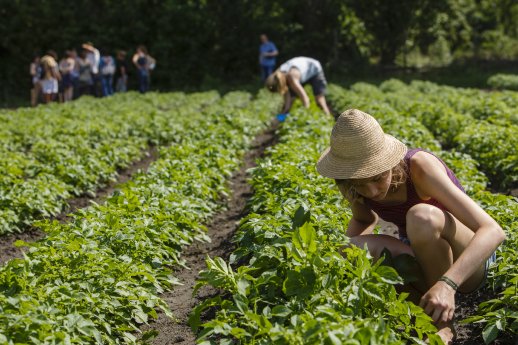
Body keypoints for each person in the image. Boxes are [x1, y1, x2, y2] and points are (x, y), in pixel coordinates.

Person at [315, 109, 505, 344]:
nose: (372, 192)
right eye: (360, 183)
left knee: (421, 217)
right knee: (349, 247)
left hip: (470, 260)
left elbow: (493, 230)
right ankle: (423, 314)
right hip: (421, 255)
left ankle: (443, 324)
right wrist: (343, 262)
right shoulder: (352, 183)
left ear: (389, 162)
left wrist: (448, 284)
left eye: (377, 178)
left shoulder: (419, 168)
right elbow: (364, 221)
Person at [265, 56, 331, 116]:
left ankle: (328, 117)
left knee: (319, 100)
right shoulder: (280, 76)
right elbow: (287, 103)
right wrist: (282, 114)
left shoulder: (292, 77)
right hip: (302, 72)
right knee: (290, 102)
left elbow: (305, 99)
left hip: (314, 69)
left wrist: (307, 114)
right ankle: (280, 121)